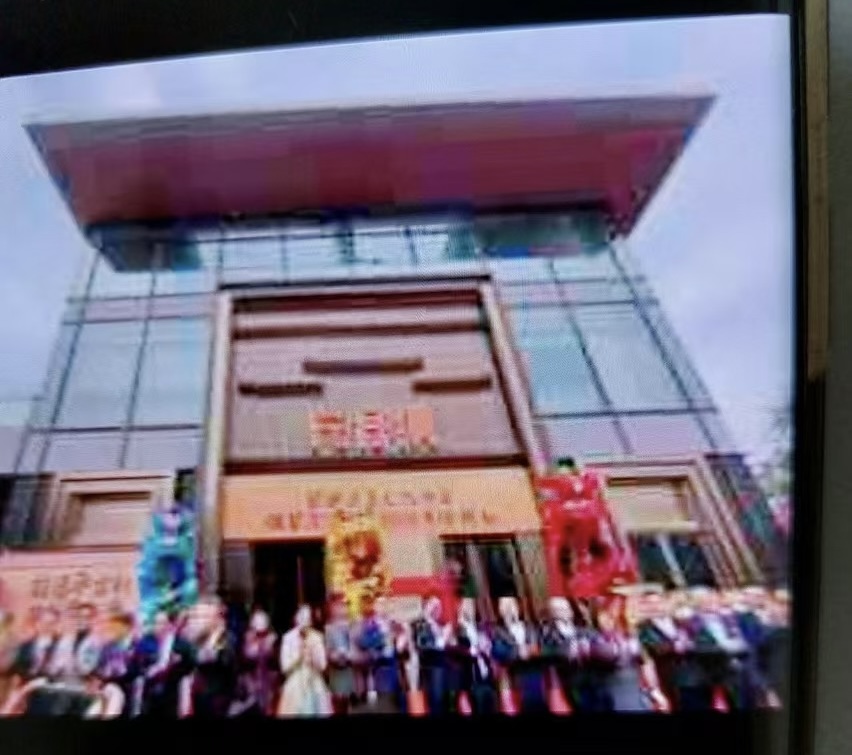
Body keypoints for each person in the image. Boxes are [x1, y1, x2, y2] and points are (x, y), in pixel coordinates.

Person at [686, 587, 753, 710]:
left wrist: (733, 647)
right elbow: (700, 648)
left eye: (713, 599)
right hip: (711, 673)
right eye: (706, 600)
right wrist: (728, 647)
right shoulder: (692, 623)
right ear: (698, 603)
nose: (711, 602)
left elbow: (744, 644)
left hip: (736, 671)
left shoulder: (728, 618)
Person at [636, 591, 705, 710]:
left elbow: (698, 642)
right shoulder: (643, 628)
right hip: (669, 679)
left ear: (665, 602)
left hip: (695, 677)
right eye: (650, 603)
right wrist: (678, 645)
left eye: (658, 602)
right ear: (645, 606)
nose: (655, 606)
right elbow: (657, 649)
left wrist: (689, 644)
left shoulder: (680, 622)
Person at [490, 596, 548, 713]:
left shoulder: (531, 627)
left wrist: (535, 650)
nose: (509, 609)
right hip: (515, 675)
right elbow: (498, 651)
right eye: (505, 606)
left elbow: (543, 646)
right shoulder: (497, 631)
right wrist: (517, 652)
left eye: (511, 605)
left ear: (518, 607)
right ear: (500, 611)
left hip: (537, 672)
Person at [596, 597, 653, 712]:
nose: (609, 619)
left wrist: (652, 688)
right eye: (605, 615)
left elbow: (645, 661)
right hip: (614, 688)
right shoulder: (595, 638)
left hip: (635, 687)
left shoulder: (631, 636)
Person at [134, 610, 195, 717]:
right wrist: (148, 670)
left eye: (161, 623)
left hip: (173, 692)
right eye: (155, 623)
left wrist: (175, 665)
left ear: (169, 625)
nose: (157, 626)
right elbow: (138, 664)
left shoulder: (182, 645)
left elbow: (190, 666)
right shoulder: (146, 641)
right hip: (149, 691)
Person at [354, 596, 408, 714]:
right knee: (385, 702)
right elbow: (363, 642)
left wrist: (402, 636)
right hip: (380, 666)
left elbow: (401, 644)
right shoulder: (369, 623)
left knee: (398, 701)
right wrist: (384, 637)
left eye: (385, 604)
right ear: (375, 607)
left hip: (394, 665)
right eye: (380, 604)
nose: (383, 607)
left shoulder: (392, 622)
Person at [277, 604, 332, 717]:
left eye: (307, 617)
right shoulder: (288, 638)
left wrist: (313, 654)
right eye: (301, 616)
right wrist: (299, 656)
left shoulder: (317, 637)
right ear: (295, 618)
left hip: (314, 683)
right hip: (294, 685)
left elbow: (323, 666)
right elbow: (284, 667)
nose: (304, 620)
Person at [190, 597, 238, 718]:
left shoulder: (227, 638)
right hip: (199, 699)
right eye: (198, 616)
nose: (200, 620)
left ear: (216, 617)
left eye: (205, 616)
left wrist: (216, 637)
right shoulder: (200, 639)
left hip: (219, 702)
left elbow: (220, 658)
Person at [449, 597, 498, 714]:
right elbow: (454, 651)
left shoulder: (480, 629)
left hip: (487, 678)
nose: (470, 610)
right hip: (472, 680)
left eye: (472, 607)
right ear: (460, 610)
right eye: (466, 607)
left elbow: (489, 649)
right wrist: (470, 651)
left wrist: (488, 647)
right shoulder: (456, 630)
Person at [411, 593, 455, 715]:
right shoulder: (417, 624)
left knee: (438, 700)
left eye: (438, 605)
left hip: (438, 667)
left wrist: (430, 621)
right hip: (423, 667)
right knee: (426, 701)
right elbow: (417, 644)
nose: (436, 608)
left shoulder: (445, 624)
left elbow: (440, 644)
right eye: (433, 605)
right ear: (425, 606)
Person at [540, 596, 584, 711]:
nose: (562, 612)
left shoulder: (584, 631)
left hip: (590, 679)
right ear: (551, 614)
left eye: (565, 609)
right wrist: (567, 651)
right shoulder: (547, 636)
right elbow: (546, 654)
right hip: (566, 682)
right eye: (557, 610)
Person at [95, 611, 137, 717]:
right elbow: (99, 667)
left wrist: (120, 672)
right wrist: (103, 675)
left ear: (127, 628)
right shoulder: (107, 646)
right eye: (113, 626)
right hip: (106, 688)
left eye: (117, 626)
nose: (113, 629)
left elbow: (135, 671)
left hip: (125, 690)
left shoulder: (136, 646)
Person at [241, 607, 279, 716]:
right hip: (253, 680)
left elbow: (274, 662)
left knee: (268, 707)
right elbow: (245, 659)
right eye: (258, 632)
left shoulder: (272, 638)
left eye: (263, 632)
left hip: (268, 679)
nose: (260, 635)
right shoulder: (248, 638)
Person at [324, 594, 357, 715]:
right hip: (338, 672)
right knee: (339, 702)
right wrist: (337, 655)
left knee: (351, 702)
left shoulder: (352, 625)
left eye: (343, 605)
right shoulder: (329, 628)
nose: (342, 608)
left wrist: (352, 653)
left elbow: (356, 645)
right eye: (338, 605)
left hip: (352, 671)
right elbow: (328, 652)